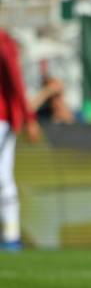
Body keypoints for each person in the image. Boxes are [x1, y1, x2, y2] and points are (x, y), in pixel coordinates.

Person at [0, 28, 41, 252]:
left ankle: (11, 234)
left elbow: (16, 82)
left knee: (3, 176)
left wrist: (29, 118)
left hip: (1, 119)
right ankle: (10, 234)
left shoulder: (4, 42)